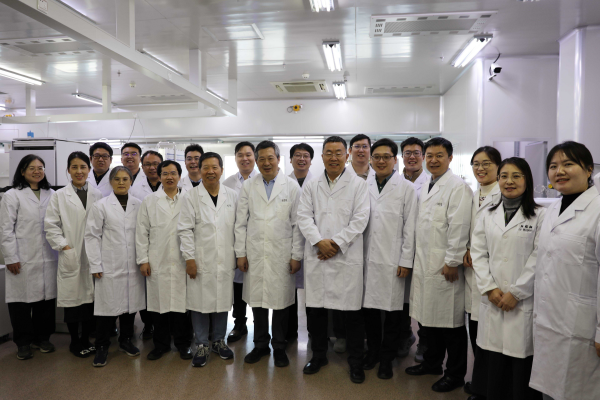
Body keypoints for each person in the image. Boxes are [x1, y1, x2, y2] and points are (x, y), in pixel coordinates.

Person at [529, 141, 600, 400]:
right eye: (553, 166)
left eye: (568, 164)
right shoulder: (553, 209)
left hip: (582, 325)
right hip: (549, 318)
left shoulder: (597, 211)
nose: (559, 171)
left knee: (578, 391)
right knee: (551, 389)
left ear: (589, 169)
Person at [297, 136, 370, 384]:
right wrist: (319, 241)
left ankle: (356, 362)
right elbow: (303, 216)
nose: (334, 157)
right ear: (322, 156)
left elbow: (361, 218)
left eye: (339, 153)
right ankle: (318, 356)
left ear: (347, 155)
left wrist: (336, 243)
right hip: (318, 255)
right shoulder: (312, 185)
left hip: (346, 256)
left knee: (352, 315)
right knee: (315, 312)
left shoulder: (358, 185)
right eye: (329, 153)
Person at [470, 157, 545, 400]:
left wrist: (517, 292)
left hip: (522, 301)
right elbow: (478, 253)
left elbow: (539, 257)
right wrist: (489, 288)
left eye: (516, 176)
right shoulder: (487, 214)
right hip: (492, 298)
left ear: (527, 180)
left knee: (520, 360)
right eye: (504, 176)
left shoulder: (541, 216)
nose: (509, 181)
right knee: (493, 358)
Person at [405, 137, 472, 393]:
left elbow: (459, 227)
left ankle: (454, 374)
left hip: (445, 267)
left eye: (439, 155)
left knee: (450, 325)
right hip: (425, 262)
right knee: (428, 321)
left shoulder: (458, 187)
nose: (433, 160)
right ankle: (432, 364)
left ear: (450, 158)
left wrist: (452, 261)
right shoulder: (427, 185)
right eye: (430, 156)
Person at [234, 141, 304, 367]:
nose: (266, 163)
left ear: (278, 159)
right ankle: (261, 345)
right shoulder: (249, 186)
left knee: (281, 303)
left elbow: (297, 225)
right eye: (261, 159)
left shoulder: (291, 186)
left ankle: (280, 347)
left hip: (281, 253)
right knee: (258, 302)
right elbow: (240, 223)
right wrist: (241, 253)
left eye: (270, 158)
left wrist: (296, 255)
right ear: (256, 161)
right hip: (255, 252)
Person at [362, 139, 418, 380]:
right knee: (370, 312)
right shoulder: (362, 185)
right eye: (377, 157)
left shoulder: (406, 188)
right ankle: (373, 352)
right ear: (371, 160)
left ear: (395, 160)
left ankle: (387, 358)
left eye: (386, 157)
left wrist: (406, 260)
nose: (381, 161)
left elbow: (410, 227)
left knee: (394, 313)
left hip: (393, 260)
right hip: (365, 259)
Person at [178, 152, 237, 367]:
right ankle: (202, 343)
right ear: (199, 170)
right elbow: (184, 229)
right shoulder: (190, 196)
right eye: (206, 168)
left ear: (222, 170)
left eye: (215, 167)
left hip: (225, 258)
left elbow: (239, 228)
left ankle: (219, 341)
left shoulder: (232, 195)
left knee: (222, 301)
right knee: (199, 303)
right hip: (200, 259)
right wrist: (190, 259)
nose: (210, 171)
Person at [85, 166, 145, 367]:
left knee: (129, 306)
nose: (121, 182)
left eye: (125, 179)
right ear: (111, 182)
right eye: (117, 179)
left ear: (131, 182)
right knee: (106, 308)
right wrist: (95, 264)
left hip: (132, 264)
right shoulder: (101, 206)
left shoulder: (139, 205)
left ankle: (125, 340)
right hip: (109, 264)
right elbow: (92, 236)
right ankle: (102, 346)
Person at [44, 152, 103, 358]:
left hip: (93, 254)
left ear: (89, 169)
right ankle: (75, 342)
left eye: (83, 167)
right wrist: (65, 247)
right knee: (72, 301)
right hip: (72, 253)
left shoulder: (98, 195)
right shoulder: (59, 196)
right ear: (68, 170)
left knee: (90, 301)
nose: (79, 171)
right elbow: (51, 226)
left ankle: (86, 339)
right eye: (74, 167)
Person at [0, 155, 58, 360]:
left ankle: (42, 338)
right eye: (31, 168)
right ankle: (23, 342)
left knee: (46, 300)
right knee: (21, 303)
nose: (37, 171)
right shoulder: (12, 195)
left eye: (40, 168)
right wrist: (10, 257)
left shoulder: (51, 194)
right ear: (22, 171)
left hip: (48, 255)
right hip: (22, 255)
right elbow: (6, 229)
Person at [136, 160, 193, 361]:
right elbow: (141, 232)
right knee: (158, 306)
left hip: (182, 259)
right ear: (159, 177)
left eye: (173, 173)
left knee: (182, 307)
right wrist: (143, 260)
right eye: (165, 173)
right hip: (157, 260)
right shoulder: (149, 201)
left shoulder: (189, 198)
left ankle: (183, 344)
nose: (169, 177)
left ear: (179, 176)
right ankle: (160, 345)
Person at [462, 146, 502, 398]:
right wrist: (467, 248)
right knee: (476, 331)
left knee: (490, 336)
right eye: (476, 164)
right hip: (472, 272)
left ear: (498, 166)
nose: (480, 168)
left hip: (492, 273)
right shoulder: (474, 193)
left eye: (486, 163)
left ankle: (488, 387)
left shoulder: (502, 194)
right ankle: (480, 382)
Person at [398, 137, 430, 361]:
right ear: (401, 156)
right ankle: (405, 335)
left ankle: (424, 342)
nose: (411, 157)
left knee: (422, 299)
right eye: (407, 153)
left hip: (424, 250)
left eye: (416, 153)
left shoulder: (431, 183)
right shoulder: (395, 182)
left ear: (423, 156)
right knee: (401, 299)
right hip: (399, 248)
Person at [223, 141, 257, 344]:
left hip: (259, 240)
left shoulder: (262, 180)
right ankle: (239, 323)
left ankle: (260, 324)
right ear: (235, 158)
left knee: (258, 283)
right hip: (235, 241)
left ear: (254, 157)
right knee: (237, 285)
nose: (245, 159)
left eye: (248, 154)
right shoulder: (227, 183)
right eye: (240, 155)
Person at [129, 148, 163, 340]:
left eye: (155, 164)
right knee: (145, 287)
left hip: (166, 244)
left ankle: (167, 327)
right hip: (144, 241)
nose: (152, 168)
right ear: (142, 167)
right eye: (148, 164)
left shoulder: (172, 184)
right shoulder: (134, 188)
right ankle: (148, 324)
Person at [287, 142, 315, 342]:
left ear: (311, 160)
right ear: (291, 159)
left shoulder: (317, 182)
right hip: (288, 244)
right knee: (289, 291)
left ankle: (314, 332)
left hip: (313, 245)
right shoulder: (283, 183)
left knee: (313, 292)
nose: (302, 159)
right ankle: (290, 333)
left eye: (306, 155)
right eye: (297, 155)